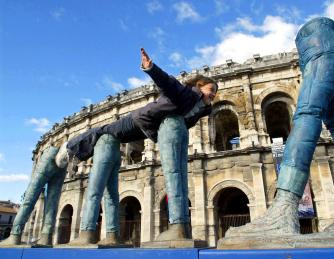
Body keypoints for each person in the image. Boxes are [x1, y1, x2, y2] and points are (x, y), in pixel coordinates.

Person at [224, 17, 334, 239]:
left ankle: (285, 208)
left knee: (307, 112)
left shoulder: (318, 41)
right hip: (319, 48)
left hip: (319, 45)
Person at [61, 48, 217, 245]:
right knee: (104, 131)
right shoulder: (186, 93)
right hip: (140, 120)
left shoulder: (200, 108)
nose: (213, 95)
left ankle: (75, 151)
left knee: (106, 132)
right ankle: (72, 148)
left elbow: (184, 121)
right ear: (199, 85)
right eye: (211, 90)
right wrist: (150, 68)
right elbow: (167, 82)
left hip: (151, 129)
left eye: (215, 93)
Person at [0, 145, 68, 246]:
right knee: (52, 202)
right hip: (65, 159)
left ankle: (15, 235)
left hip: (53, 154)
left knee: (30, 198)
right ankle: (46, 236)